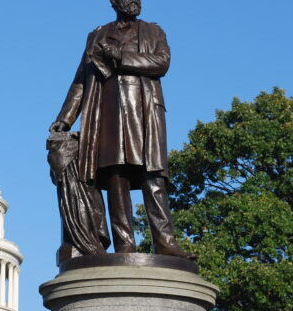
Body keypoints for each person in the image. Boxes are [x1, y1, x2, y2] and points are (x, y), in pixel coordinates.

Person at [49, 0, 192, 259]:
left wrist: (120, 57)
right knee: (116, 178)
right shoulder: (97, 36)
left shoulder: (153, 31)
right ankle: (125, 246)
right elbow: (81, 82)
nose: (135, 1)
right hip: (107, 113)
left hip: (144, 111)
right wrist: (65, 118)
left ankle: (166, 242)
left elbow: (161, 62)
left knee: (154, 178)